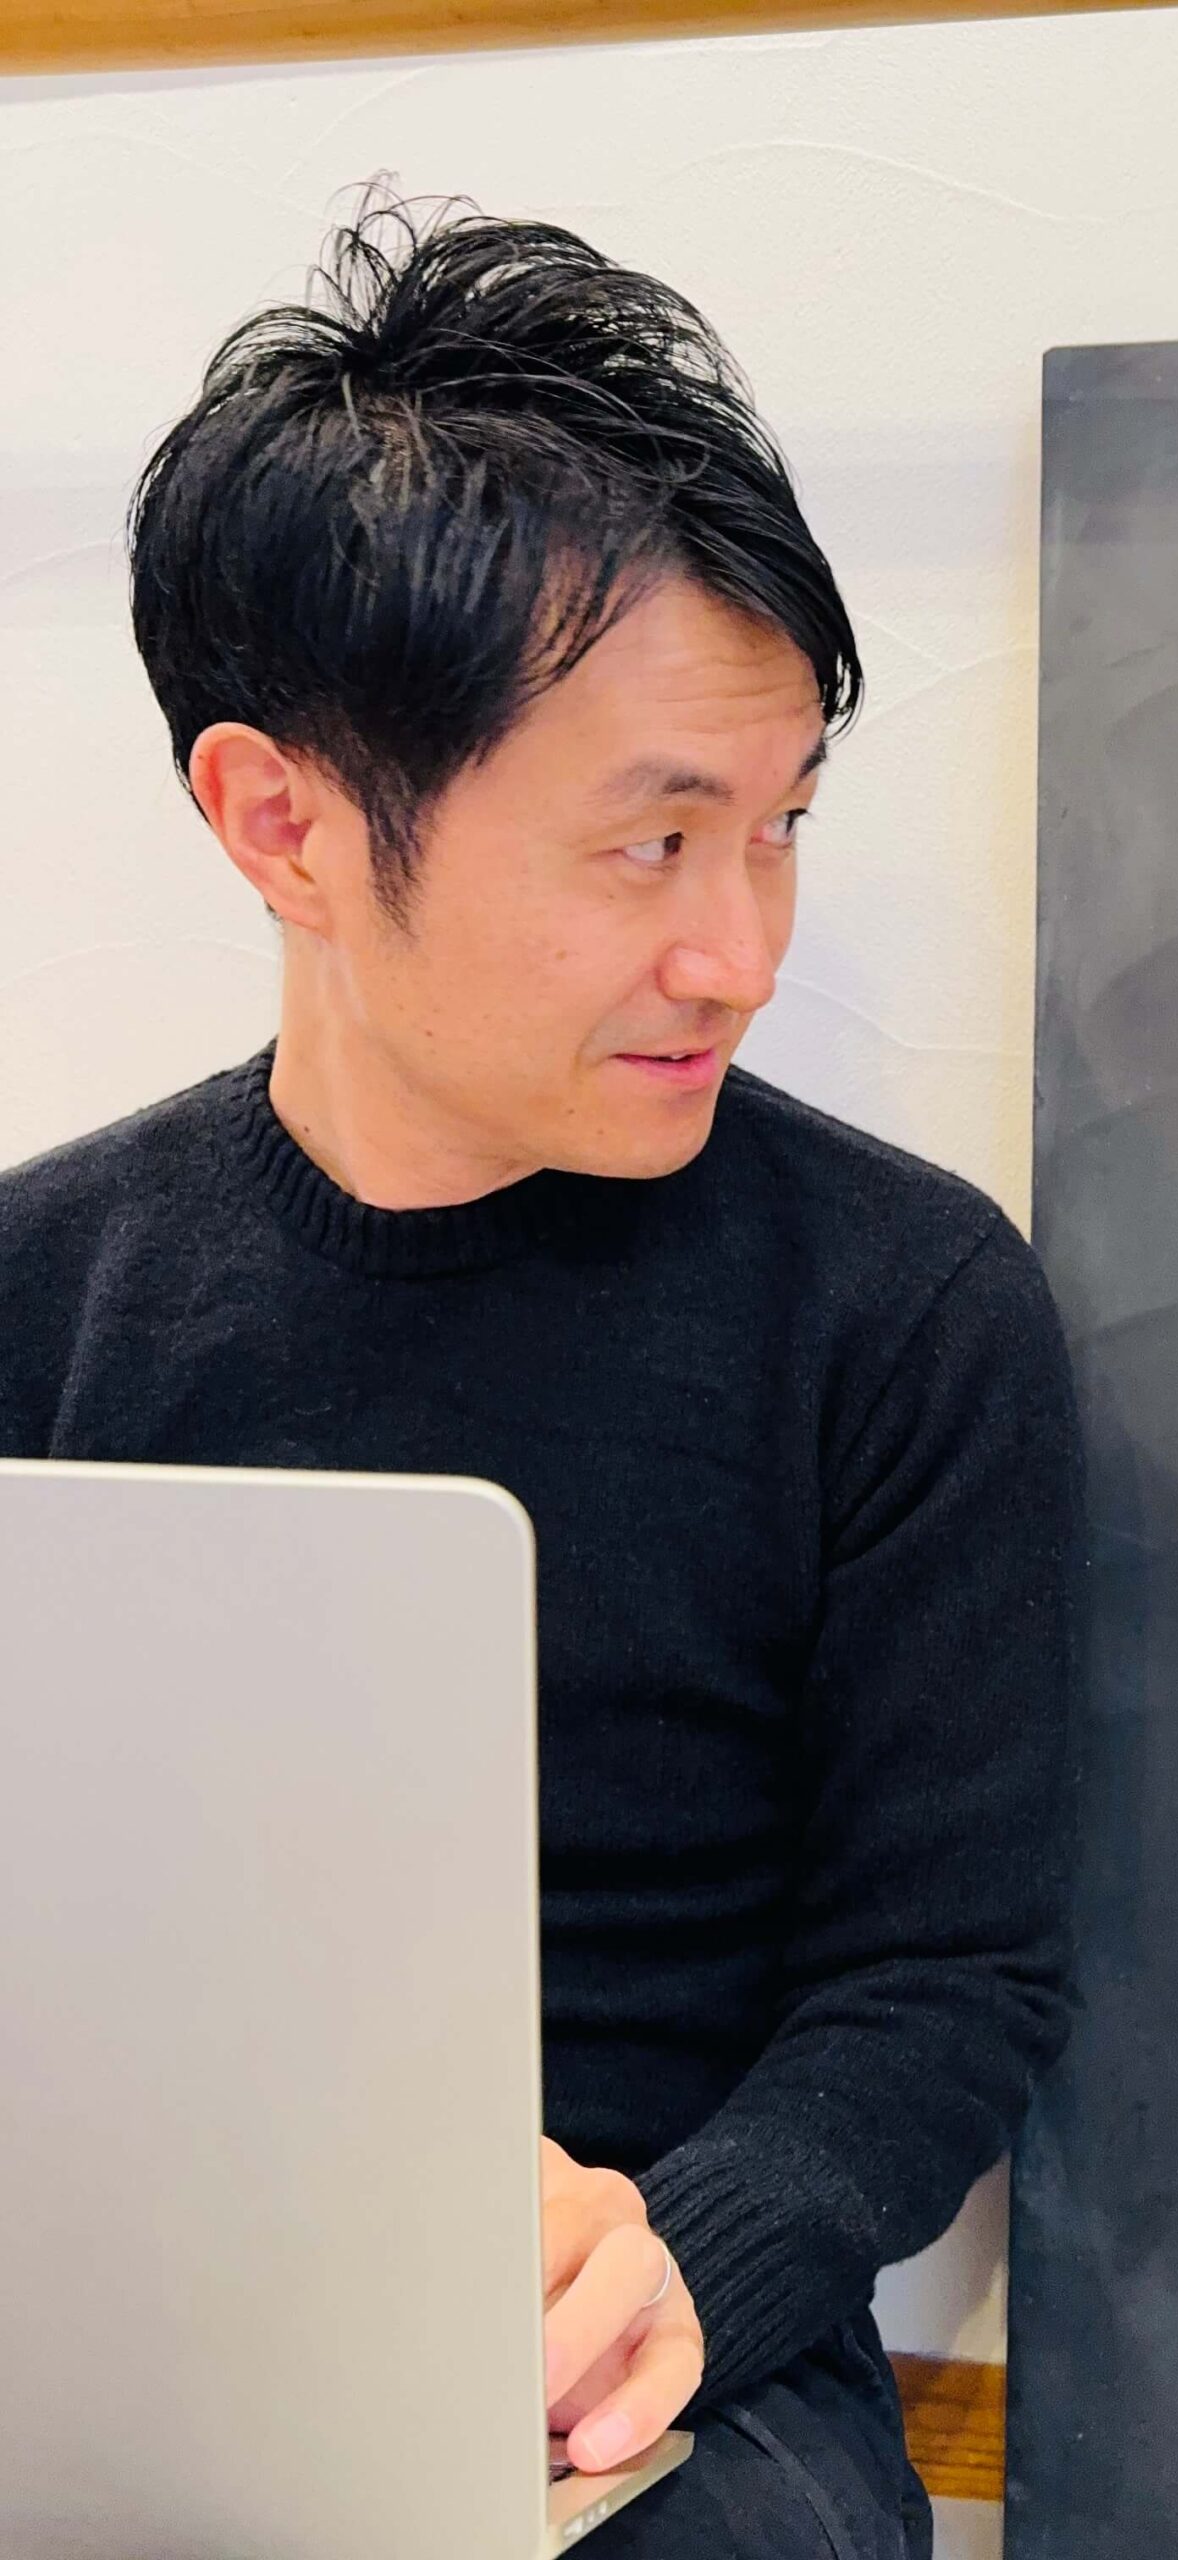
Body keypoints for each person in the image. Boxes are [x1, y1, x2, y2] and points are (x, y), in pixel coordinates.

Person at [0, 192, 1082, 2559]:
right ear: (284, 821)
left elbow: (944, 1974)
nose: (739, 948)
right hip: (110, 2319)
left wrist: (677, 2262)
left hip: (673, 2386)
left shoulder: (899, 1305)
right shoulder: (39, 1287)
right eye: (651, 842)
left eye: (778, 828)